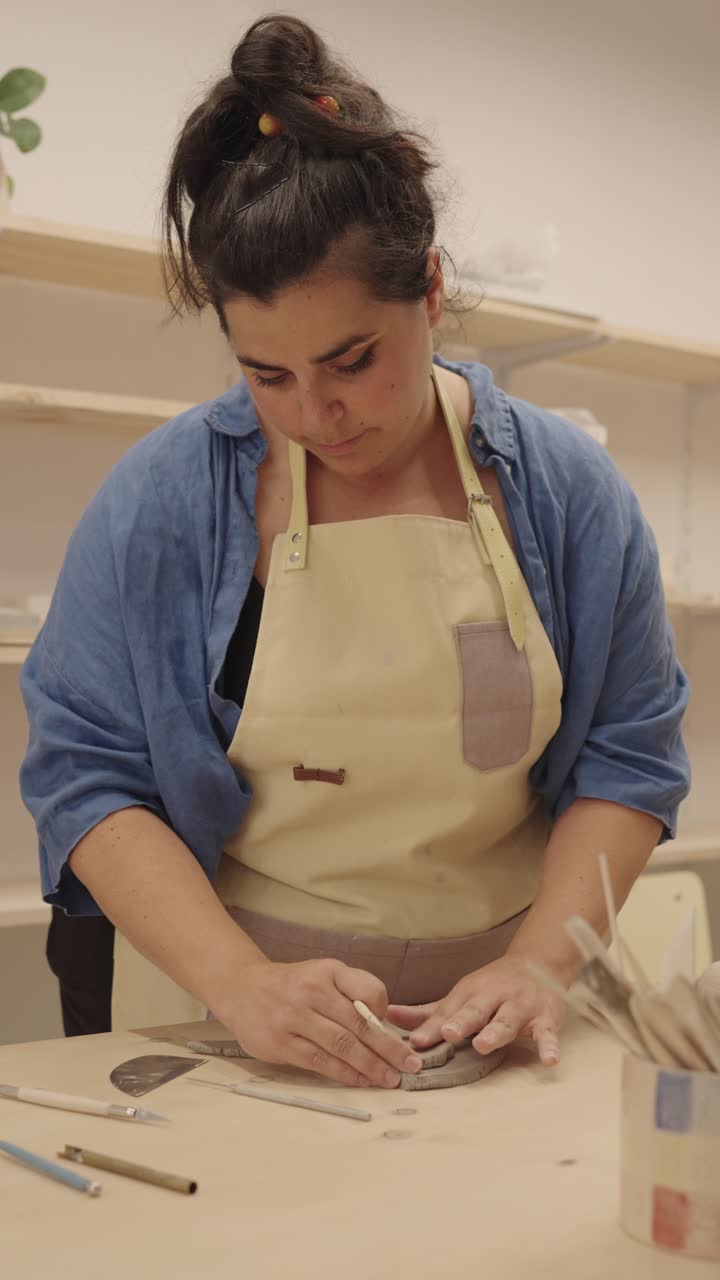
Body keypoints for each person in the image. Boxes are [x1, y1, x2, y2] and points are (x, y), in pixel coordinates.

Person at [20, 14, 689, 1085]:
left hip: (500, 1032)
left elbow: (628, 755)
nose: (317, 413)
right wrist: (242, 983)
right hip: (233, 1022)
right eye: (267, 374)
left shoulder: (564, 492)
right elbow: (90, 773)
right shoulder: (167, 498)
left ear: (429, 288)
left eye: (351, 358)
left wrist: (536, 965)